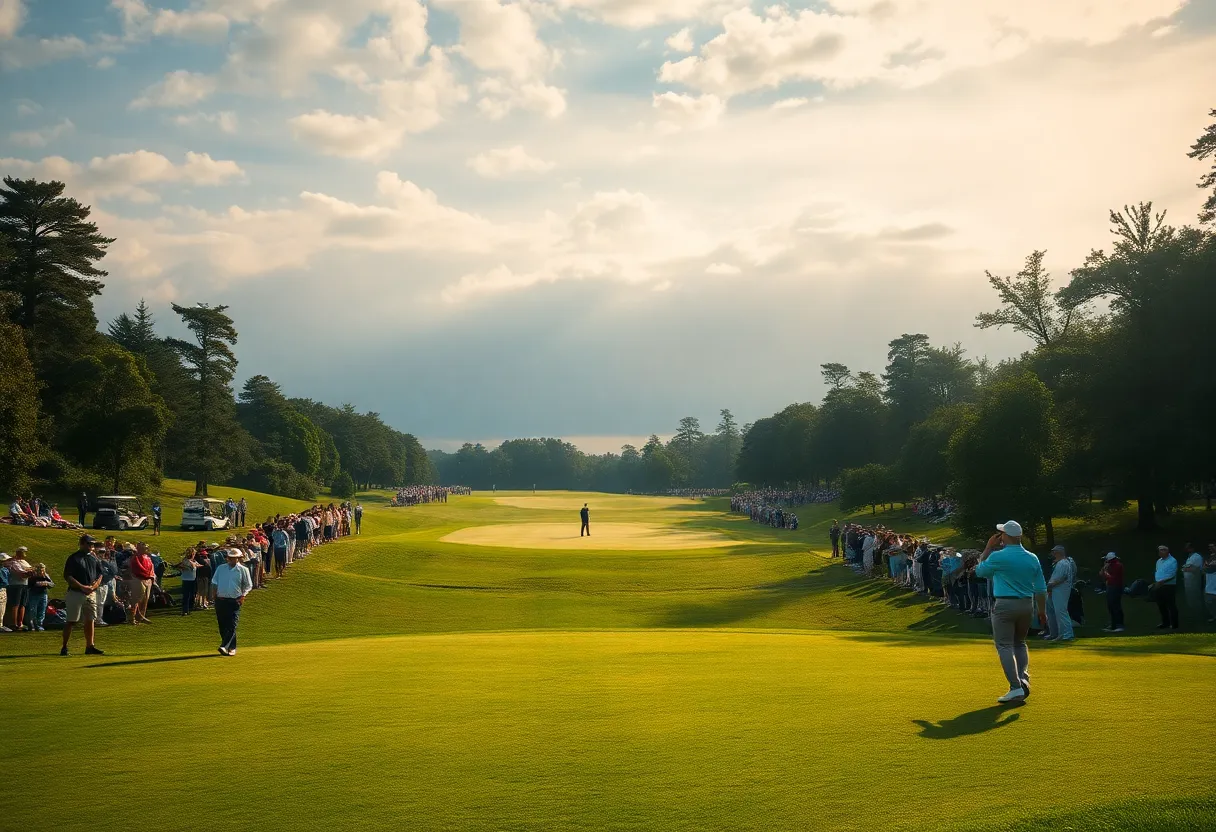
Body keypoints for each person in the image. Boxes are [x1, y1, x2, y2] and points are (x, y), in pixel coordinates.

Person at [974, 520, 1048, 704]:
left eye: (1001, 534)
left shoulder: (999, 556)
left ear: (1005, 536)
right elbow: (1040, 588)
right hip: (1026, 605)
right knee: (1020, 643)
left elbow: (980, 571)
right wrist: (1042, 611)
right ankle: (1022, 678)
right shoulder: (1032, 557)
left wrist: (987, 548)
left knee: (1005, 645)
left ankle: (1015, 688)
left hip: (1005, 605)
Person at [61, 534, 104, 656]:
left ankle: (90, 646)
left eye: (92, 545)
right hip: (76, 592)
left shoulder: (94, 558)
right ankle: (64, 646)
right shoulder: (74, 558)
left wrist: (94, 586)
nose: (91, 547)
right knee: (71, 620)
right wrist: (81, 586)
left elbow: (100, 575)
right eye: (89, 544)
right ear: (82, 544)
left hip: (90, 593)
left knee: (90, 619)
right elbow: (68, 576)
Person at [211, 548, 252, 656]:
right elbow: (214, 582)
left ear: (238, 558)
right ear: (228, 558)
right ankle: (230, 647)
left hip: (235, 600)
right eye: (231, 558)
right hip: (221, 600)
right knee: (222, 625)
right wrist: (214, 596)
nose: (232, 560)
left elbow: (248, 585)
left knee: (232, 625)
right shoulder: (221, 568)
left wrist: (243, 595)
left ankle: (225, 646)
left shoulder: (243, 570)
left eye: (235, 558)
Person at [1044, 545, 1076, 642]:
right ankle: (1055, 633)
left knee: (1061, 611)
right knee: (1051, 612)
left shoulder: (1063, 563)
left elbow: (1062, 578)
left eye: (1054, 552)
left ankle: (1067, 634)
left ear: (1058, 552)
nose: (1052, 554)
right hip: (1054, 590)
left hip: (1060, 590)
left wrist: (1050, 586)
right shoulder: (1060, 563)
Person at [1150, 545, 1180, 630]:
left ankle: (1174, 624)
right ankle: (1165, 622)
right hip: (1159, 585)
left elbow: (1172, 574)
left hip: (1169, 585)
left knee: (1171, 605)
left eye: (1162, 550)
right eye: (1159, 550)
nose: (1160, 552)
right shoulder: (1158, 561)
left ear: (1167, 551)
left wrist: (1163, 581)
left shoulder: (1172, 561)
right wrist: (1156, 582)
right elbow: (1158, 572)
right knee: (1161, 605)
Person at [4, 547, 34, 632]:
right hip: (15, 585)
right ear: (19, 553)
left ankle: (20, 623)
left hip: (24, 584)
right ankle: (14, 624)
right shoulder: (13, 562)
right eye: (24, 552)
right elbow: (21, 573)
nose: (25, 554)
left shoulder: (24, 562)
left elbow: (29, 570)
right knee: (15, 604)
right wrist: (29, 572)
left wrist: (30, 571)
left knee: (22, 604)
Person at [127, 542, 156, 625]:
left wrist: (151, 577)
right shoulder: (135, 558)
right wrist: (148, 575)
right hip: (139, 579)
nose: (146, 549)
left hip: (148, 579)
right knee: (137, 599)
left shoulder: (148, 557)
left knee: (145, 599)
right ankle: (132, 617)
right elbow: (139, 569)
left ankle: (141, 616)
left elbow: (151, 568)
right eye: (145, 548)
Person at [1099, 552, 1125, 632]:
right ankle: (1113, 624)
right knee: (1110, 606)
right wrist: (1104, 569)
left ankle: (1119, 625)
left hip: (1116, 587)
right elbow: (1101, 574)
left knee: (1116, 606)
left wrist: (1105, 571)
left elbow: (1111, 577)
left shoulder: (1118, 565)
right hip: (1110, 586)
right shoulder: (1109, 566)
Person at [1181, 543, 1205, 622]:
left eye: (1188, 548)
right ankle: (1192, 613)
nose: (1187, 549)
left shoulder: (1197, 557)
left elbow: (1196, 569)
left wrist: (1185, 569)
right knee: (1189, 597)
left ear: (1192, 548)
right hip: (1187, 581)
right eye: (1186, 548)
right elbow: (1187, 567)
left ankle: (1199, 614)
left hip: (1194, 580)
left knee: (1195, 597)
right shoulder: (1189, 558)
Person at [27, 563, 52, 631]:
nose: (41, 570)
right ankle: (32, 625)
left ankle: (39, 624)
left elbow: (52, 584)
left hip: (43, 594)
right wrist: (38, 583)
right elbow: (30, 584)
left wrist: (47, 583)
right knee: (33, 610)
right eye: (40, 569)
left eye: (43, 569)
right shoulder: (33, 576)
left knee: (42, 610)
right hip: (34, 594)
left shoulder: (46, 575)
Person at [177, 549, 199, 616]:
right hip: (186, 580)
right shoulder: (185, 561)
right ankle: (185, 610)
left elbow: (197, 566)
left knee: (192, 594)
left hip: (193, 579)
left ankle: (189, 608)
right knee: (186, 595)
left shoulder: (193, 561)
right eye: (194, 554)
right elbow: (180, 566)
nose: (194, 555)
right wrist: (184, 568)